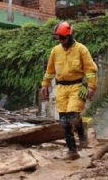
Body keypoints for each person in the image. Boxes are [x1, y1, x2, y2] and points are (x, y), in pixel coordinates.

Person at [40, 21, 98, 160]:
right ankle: (72, 151)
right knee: (64, 122)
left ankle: (81, 132)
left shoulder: (81, 50)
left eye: (62, 38)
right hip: (61, 88)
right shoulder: (55, 51)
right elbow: (49, 71)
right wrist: (45, 84)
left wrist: (91, 86)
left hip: (78, 86)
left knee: (72, 116)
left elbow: (90, 70)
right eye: (58, 38)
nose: (60, 41)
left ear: (70, 36)